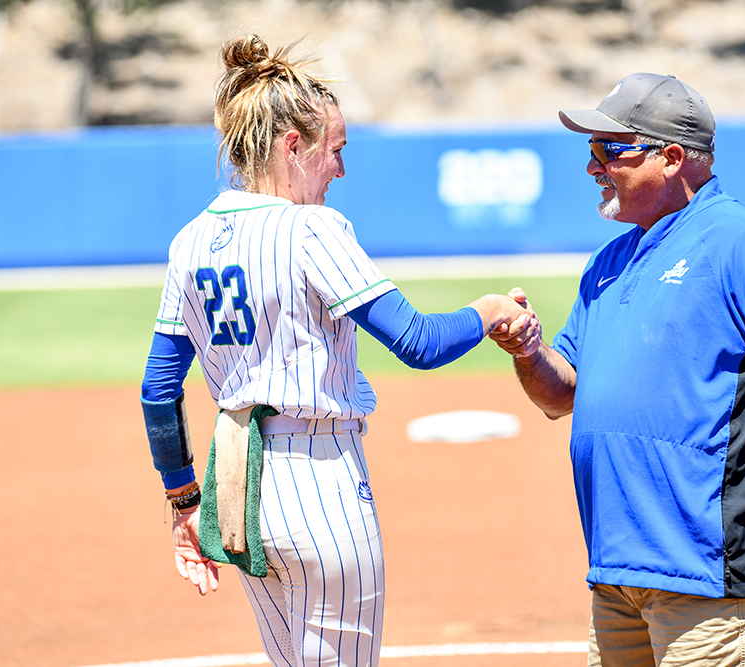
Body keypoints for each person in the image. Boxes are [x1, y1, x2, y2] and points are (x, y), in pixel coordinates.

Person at [139, 35, 538, 667]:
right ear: (292, 146)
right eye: (336, 149)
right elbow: (418, 342)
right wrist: (489, 311)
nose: (341, 169)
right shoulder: (311, 227)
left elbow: (158, 392)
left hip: (239, 489)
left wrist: (185, 501)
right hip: (320, 483)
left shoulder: (189, 241)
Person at [490, 73, 745, 666]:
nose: (593, 166)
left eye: (610, 150)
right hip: (618, 570)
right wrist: (529, 352)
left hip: (711, 573)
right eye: (590, 150)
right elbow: (563, 396)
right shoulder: (610, 260)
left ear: (671, 157)